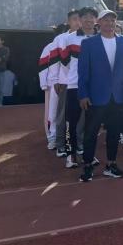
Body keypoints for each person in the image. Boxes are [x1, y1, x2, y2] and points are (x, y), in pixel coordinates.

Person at [78, 9, 123, 182]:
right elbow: (83, 71)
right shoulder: (88, 43)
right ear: (99, 22)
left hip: (118, 96)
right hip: (95, 96)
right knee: (91, 132)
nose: (109, 23)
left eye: (112, 20)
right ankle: (88, 165)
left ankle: (111, 164)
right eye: (106, 20)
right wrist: (83, 94)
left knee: (114, 132)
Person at [60, 6, 98, 169]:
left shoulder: (100, 38)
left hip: (95, 88)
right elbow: (64, 61)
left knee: (92, 124)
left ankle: (88, 154)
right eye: (85, 16)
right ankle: (70, 155)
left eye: (92, 16)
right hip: (74, 86)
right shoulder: (69, 38)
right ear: (80, 19)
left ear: (96, 20)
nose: (89, 19)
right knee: (71, 122)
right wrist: (75, 76)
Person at [50, 9, 81, 158]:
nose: (78, 22)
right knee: (63, 115)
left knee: (81, 117)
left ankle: (78, 144)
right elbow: (54, 61)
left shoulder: (86, 37)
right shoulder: (61, 39)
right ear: (68, 21)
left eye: (79, 19)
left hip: (82, 84)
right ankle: (61, 144)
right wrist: (55, 80)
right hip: (65, 82)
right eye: (74, 19)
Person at [38, 23, 66, 149]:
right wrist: (44, 84)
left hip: (68, 84)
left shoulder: (71, 46)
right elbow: (43, 66)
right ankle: (52, 137)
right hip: (52, 85)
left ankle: (65, 137)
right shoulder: (49, 47)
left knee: (66, 112)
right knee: (52, 112)